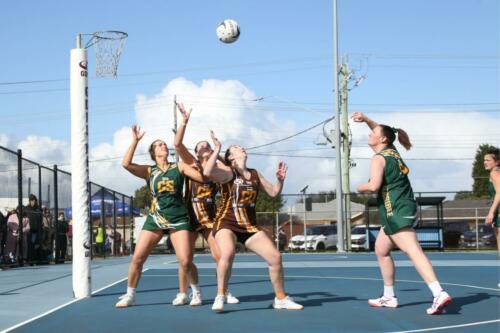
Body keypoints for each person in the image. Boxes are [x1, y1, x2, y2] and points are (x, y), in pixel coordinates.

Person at [352, 111, 452, 315]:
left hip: (395, 209)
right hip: (401, 206)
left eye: (373, 133)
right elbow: (382, 130)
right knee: (381, 249)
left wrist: (360, 187)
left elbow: (374, 186)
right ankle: (389, 296)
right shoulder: (392, 151)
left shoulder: (379, 158)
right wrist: (368, 121)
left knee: (413, 251)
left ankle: (438, 292)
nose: (369, 135)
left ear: (383, 139)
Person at [203, 130, 303, 312]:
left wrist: (280, 181)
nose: (241, 147)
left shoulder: (255, 174)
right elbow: (207, 171)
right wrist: (217, 148)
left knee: (275, 257)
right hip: (226, 223)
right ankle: (220, 295)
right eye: (236, 148)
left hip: (248, 226)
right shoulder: (228, 174)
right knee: (228, 253)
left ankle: (280, 298)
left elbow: (273, 192)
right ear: (231, 158)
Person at [115, 125, 205, 308]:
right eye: (158, 145)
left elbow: (203, 179)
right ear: (153, 152)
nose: (163, 146)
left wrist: (199, 168)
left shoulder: (179, 166)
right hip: (156, 217)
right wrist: (135, 141)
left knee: (186, 261)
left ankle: (196, 292)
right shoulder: (149, 171)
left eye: (164, 144)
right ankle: (130, 295)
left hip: (179, 217)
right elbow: (125, 164)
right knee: (138, 258)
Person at [173, 102, 239, 305]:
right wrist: (184, 121)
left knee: (219, 254)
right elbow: (177, 145)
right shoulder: (192, 164)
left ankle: (224, 291)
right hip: (190, 215)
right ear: (196, 152)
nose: (204, 148)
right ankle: (184, 293)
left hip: (210, 216)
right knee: (185, 259)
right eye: (200, 146)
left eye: (206, 146)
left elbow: (229, 167)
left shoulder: (218, 168)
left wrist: (216, 150)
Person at [483, 146, 500, 253]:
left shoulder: (495, 173)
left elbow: (499, 193)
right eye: (484, 160)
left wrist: (491, 212)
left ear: (497, 162)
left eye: (488, 160)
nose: (485, 162)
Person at [24, 194, 42, 264]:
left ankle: (34, 259)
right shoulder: (26, 209)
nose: (33, 202)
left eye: (34, 201)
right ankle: (29, 259)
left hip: (36, 231)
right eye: (32, 201)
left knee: (35, 245)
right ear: (29, 201)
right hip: (28, 231)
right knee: (29, 245)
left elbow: (40, 220)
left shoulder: (38, 209)